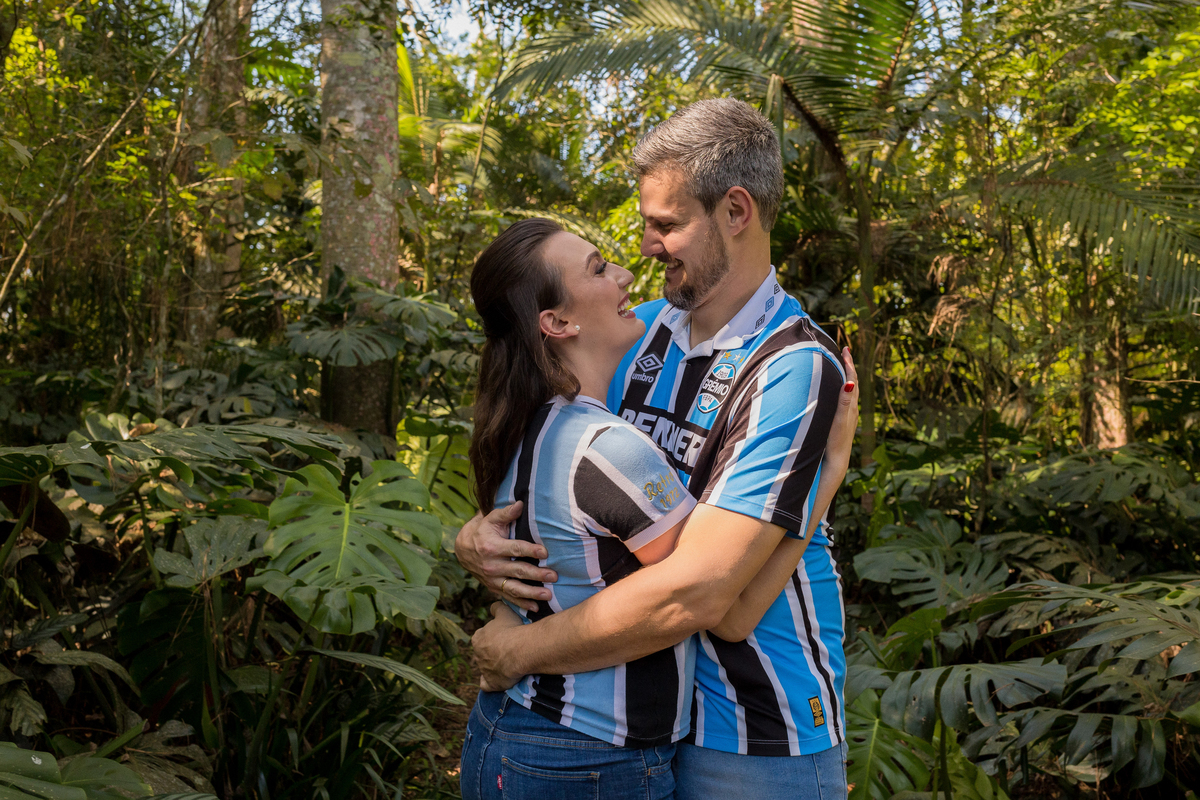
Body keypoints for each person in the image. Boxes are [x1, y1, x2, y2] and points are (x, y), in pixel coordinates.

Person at [458, 98, 856, 799]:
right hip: (634, 722)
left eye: (665, 225)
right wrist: (476, 537)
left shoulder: (792, 364)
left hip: (754, 725)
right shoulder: (631, 332)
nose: (644, 246)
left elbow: (707, 593)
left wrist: (520, 650)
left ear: (736, 212)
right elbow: (553, 466)